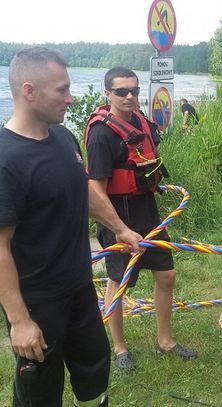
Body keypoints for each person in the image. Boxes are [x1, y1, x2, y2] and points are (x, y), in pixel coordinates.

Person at [0, 47, 140, 406]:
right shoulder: (6, 160)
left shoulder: (63, 138)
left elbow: (82, 191)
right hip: (38, 302)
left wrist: (120, 228)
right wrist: (19, 322)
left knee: (94, 368)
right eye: (61, 90)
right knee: (40, 391)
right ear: (29, 91)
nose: (71, 97)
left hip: (79, 287)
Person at [85, 67, 197, 370]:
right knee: (118, 283)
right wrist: (119, 229)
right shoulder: (100, 135)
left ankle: (165, 341)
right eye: (121, 91)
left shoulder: (142, 124)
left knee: (166, 275)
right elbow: (95, 192)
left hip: (147, 211)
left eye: (134, 90)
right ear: (108, 93)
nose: (130, 96)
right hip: (117, 217)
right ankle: (120, 348)